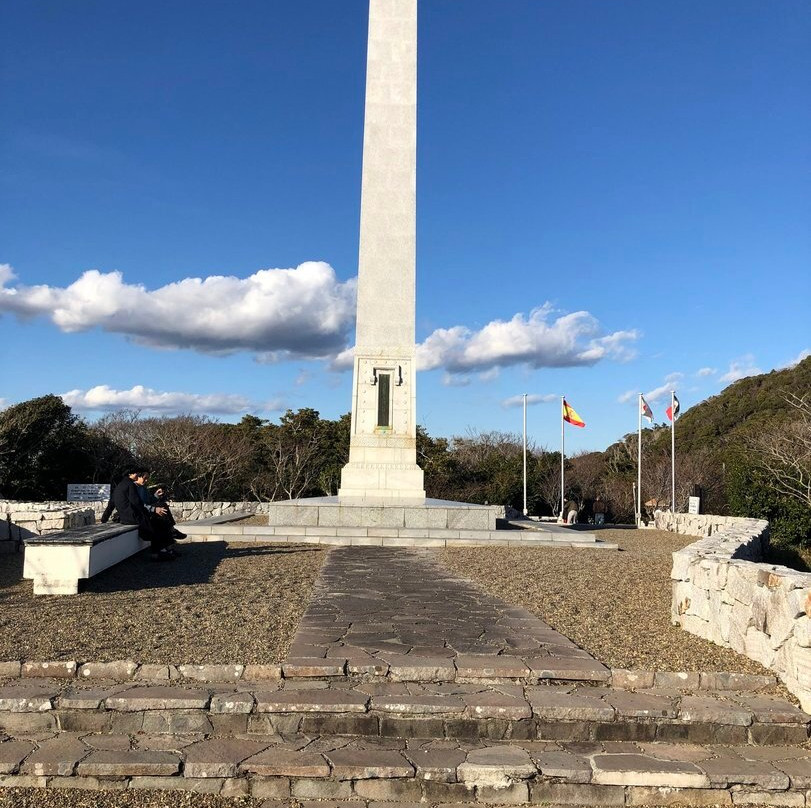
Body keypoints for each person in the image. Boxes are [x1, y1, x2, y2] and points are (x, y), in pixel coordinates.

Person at [112, 467, 175, 561]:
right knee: (158, 522)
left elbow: (149, 501)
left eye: (147, 478)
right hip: (137, 514)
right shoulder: (132, 487)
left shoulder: (143, 488)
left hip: (145, 512)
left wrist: (156, 495)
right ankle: (163, 549)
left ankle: (168, 547)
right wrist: (153, 509)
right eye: (144, 478)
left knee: (162, 509)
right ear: (137, 476)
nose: (146, 480)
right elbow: (138, 504)